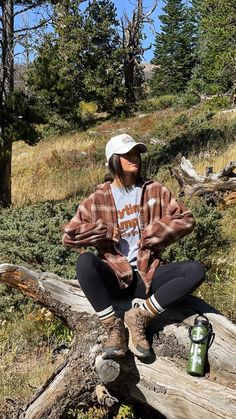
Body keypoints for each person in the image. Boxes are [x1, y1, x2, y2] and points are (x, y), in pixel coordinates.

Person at [62, 133, 205, 359]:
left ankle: (140, 316)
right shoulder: (98, 198)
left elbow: (186, 219)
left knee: (195, 270)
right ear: (113, 160)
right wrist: (103, 232)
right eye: (127, 154)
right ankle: (112, 327)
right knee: (85, 262)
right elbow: (69, 235)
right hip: (116, 276)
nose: (135, 158)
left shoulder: (155, 190)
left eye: (136, 153)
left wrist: (155, 232)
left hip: (149, 274)